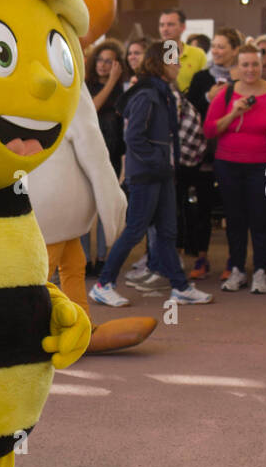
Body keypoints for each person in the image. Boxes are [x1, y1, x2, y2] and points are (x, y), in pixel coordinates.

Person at [89, 40, 212, 307]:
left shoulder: (158, 91)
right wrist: (158, 162)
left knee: (167, 232)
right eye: (173, 60)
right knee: (135, 230)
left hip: (160, 172)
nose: (178, 65)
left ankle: (179, 287)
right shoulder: (148, 93)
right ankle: (103, 284)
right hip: (148, 173)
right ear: (160, 62)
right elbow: (133, 137)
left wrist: (165, 164)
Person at [203, 42, 266, 293]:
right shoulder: (226, 95)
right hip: (229, 166)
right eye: (245, 65)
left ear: (262, 65)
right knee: (235, 219)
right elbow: (209, 130)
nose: (251, 69)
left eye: (255, 64)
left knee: (263, 219)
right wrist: (233, 113)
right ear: (237, 67)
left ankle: (261, 270)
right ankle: (238, 269)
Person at [184, 26, 243, 280]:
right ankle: (201, 258)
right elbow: (191, 111)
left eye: (222, 47)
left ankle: (234, 260)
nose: (216, 51)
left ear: (235, 50)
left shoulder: (244, 78)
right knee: (202, 210)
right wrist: (209, 97)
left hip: (235, 152)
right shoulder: (201, 78)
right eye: (215, 46)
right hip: (205, 153)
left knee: (233, 210)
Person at [81, 38, 125, 273]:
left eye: (109, 61)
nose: (103, 65)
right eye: (100, 59)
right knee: (85, 207)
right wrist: (112, 82)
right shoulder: (85, 85)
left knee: (105, 205)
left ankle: (103, 258)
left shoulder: (122, 90)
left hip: (112, 153)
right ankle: (85, 259)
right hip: (86, 153)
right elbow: (92, 108)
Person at [158, 8, 206, 93]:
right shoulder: (152, 54)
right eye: (162, 25)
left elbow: (204, 86)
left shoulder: (198, 54)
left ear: (183, 27)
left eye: (170, 24)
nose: (165, 29)